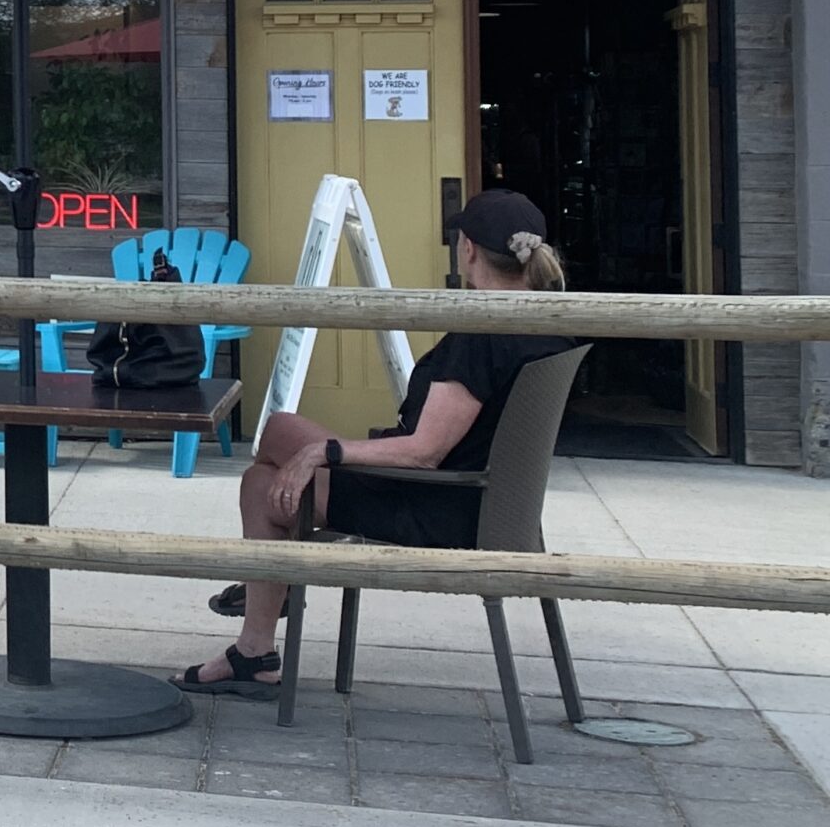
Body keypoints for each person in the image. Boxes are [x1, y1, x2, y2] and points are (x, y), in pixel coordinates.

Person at [175, 188, 575, 698]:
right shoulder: (552, 323)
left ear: (468, 249)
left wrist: (329, 451)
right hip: (490, 504)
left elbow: (424, 452)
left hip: (431, 503)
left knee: (276, 443)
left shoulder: (485, 331)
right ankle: (262, 622)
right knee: (264, 480)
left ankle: (267, 604)